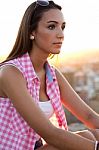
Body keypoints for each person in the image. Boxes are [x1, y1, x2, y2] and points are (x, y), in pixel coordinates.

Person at [0, 0, 99, 149]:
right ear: (31, 31)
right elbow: (49, 133)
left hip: (34, 146)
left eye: (62, 27)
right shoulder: (11, 73)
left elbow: (89, 116)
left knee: (89, 135)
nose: (60, 34)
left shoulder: (52, 74)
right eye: (52, 26)